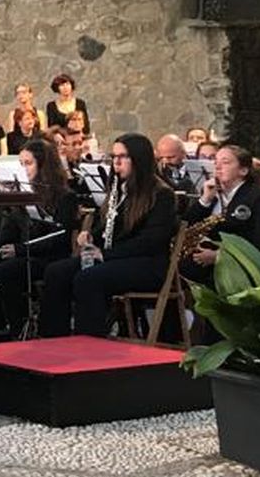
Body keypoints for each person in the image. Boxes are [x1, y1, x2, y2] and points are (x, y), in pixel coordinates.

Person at [41, 134, 176, 338]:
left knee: (88, 279)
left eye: (123, 157)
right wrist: (91, 235)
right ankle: (54, 339)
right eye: (114, 157)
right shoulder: (119, 188)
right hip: (117, 258)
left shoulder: (161, 194)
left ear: (139, 159)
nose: (116, 163)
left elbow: (150, 241)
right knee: (56, 272)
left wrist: (105, 255)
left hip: (147, 265)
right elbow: (109, 224)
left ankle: (89, 345)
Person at [0, 140, 86, 341]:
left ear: (43, 165)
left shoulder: (65, 197)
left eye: (28, 163)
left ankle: (19, 326)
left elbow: (59, 238)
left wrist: (19, 249)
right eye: (20, 164)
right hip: (24, 252)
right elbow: (10, 228)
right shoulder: (21, 192)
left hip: (48, 257)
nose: (23, 169)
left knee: (5, 271)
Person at [180, 143, 260, 288]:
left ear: (243, 170)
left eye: (225, 162)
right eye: (216, 162)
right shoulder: (213, 196)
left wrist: (219, 257)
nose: (217, 167)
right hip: (202, 264)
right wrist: (204, 200)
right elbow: (184, 228)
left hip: (241, 271)